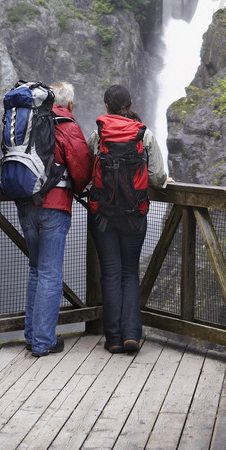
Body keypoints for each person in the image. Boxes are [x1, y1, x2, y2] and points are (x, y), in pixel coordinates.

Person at [87, 83, 169, 355]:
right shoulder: (144, 135)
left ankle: (112, 338)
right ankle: (132, 335)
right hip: (135, 213)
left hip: (103, 215)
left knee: (110, 273)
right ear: (130, 104)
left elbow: (87, 171)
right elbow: (157, 176)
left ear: (106, 106)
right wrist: (162, 182)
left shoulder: (97, 135)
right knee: (129, 273)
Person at [16, 80, 92, 357]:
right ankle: (44, 341)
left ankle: (31, 336)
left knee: (36, 269)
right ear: (69, 104)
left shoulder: (31, 120)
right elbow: (82, 167)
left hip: (26, 203)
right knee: (49, 272)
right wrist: (79, 188)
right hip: (54, 207)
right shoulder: (67, 125)